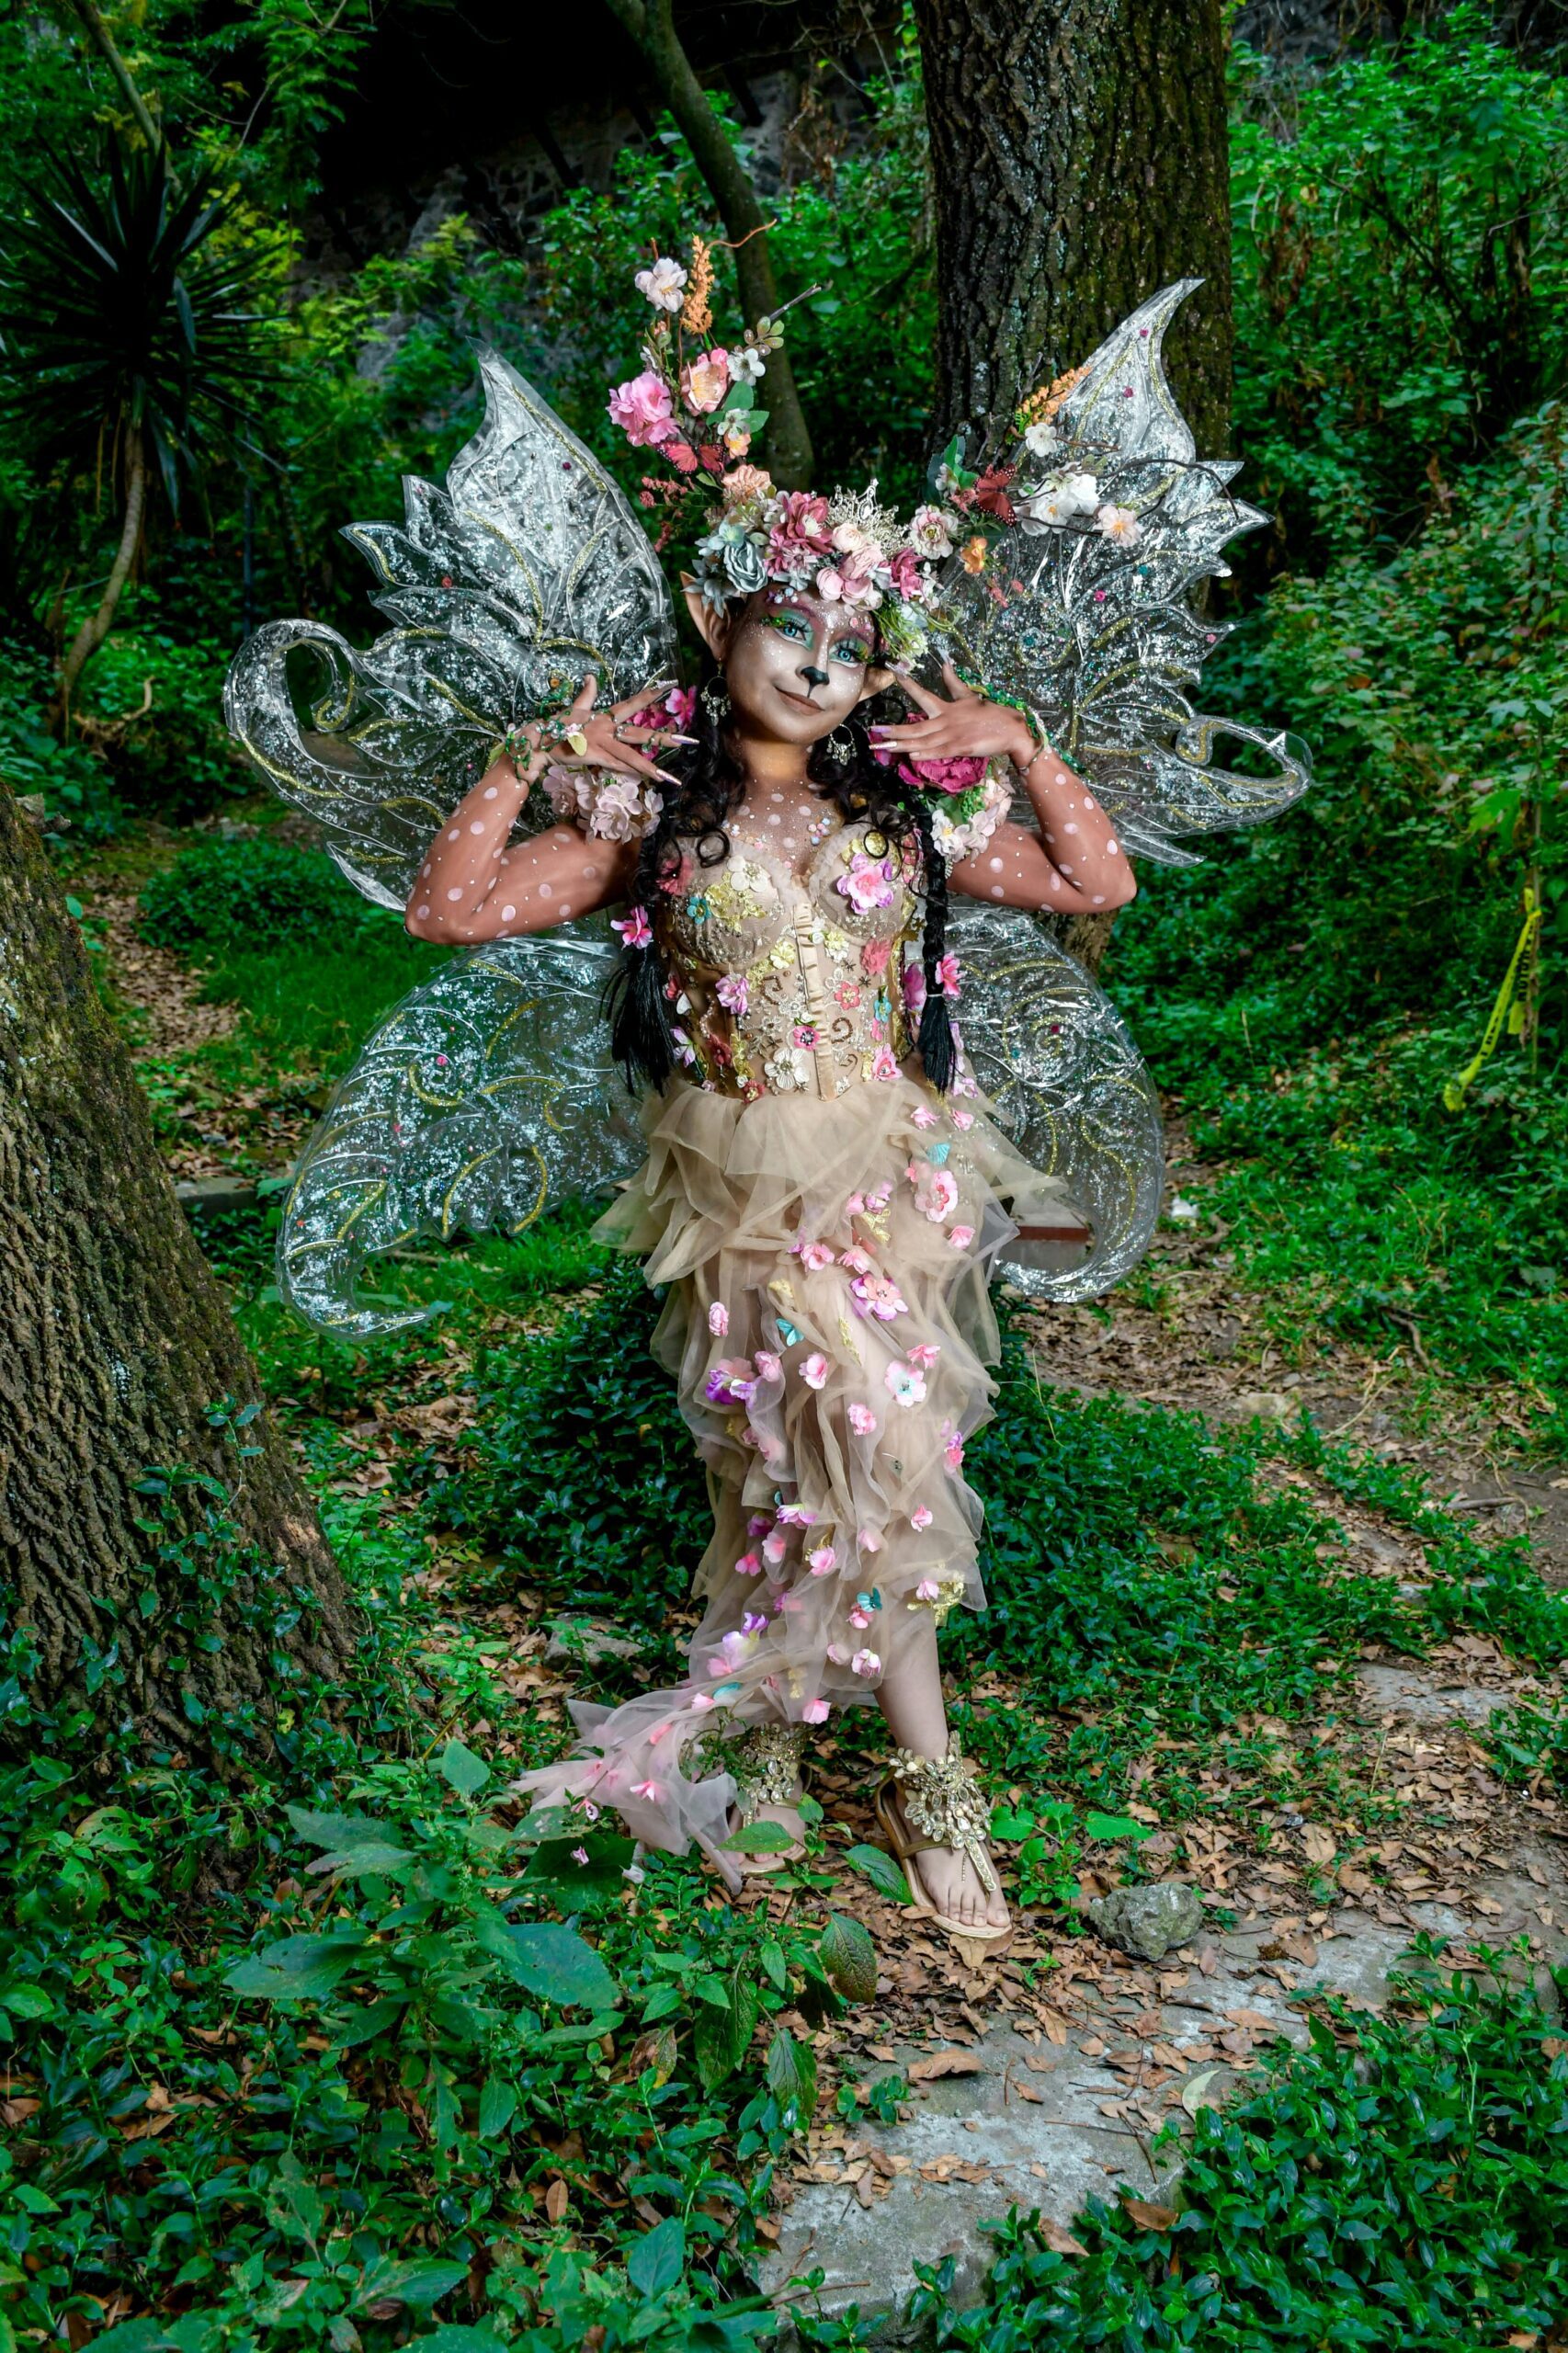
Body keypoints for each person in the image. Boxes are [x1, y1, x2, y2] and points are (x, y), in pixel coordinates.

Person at [225, 257, 1307, 1949]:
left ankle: (892, 1762)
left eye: (850, 643)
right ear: (718, 623)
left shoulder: (909, 816)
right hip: (731, 1178)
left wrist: (1018, 746)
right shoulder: (647, 815)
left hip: (892, 1170)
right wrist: (523, 757)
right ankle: (814, 1741)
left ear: (879, 674)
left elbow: (1097, 885)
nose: (816, 662)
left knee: (868, 1446)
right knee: (780, 1450)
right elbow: (450, 912)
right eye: (790, 626)